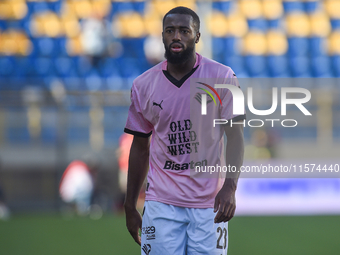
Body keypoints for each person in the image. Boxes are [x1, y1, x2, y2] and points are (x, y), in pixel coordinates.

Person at [123, 6, 245, 254]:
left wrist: (230, 187)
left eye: (184, 31)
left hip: (209, 204)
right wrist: (129, 205)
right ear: (162, 36)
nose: (176, 36)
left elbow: (235, 137)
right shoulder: (143, 85)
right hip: (160, 205)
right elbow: (139, 148)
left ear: (197, 36)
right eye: (170, 31)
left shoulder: (222, 76)